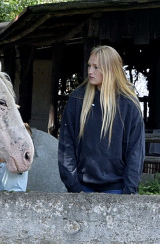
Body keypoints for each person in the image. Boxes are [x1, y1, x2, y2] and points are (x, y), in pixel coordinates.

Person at [58, 45, 145, 194]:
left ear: (110, 69)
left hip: (117, 188)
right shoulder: (77, 99)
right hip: (82, 187)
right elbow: (66, 145)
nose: (90, 71)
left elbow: (136, 151)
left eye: (96, 67)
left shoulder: (128, 104)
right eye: (89, 66)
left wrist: (129, 191)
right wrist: (73, 186)